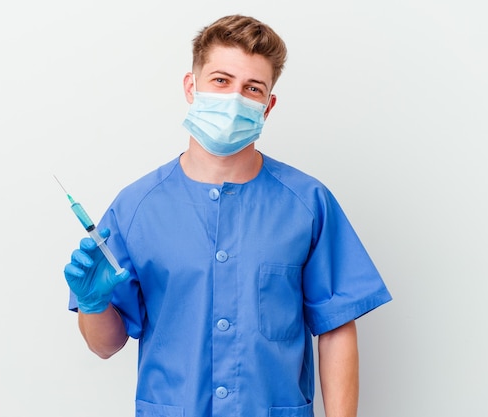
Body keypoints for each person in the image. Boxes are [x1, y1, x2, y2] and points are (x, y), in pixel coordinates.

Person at [64, 14, 392, 417]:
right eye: (221, 81)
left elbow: (336, 326)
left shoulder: (307, 202)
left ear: (268, 106)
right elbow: (105, 345)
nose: (235, 99)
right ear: (192, 86)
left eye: (252, 88)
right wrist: (93, 303)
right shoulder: (136, 207)